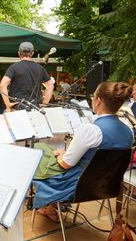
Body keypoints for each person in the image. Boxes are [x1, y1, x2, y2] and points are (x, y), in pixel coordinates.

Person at [32, 82, 134, 222]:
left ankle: (45, 203)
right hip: (107, 186)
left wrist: (62, 156)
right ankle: (50, 207)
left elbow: (65, 165)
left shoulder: (91, 130)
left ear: (98, 101)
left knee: (38, 148)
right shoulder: (128, 132)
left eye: (93, 96)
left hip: (76, 185)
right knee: (52, 151)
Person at [0, 42, 54, 112]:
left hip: (17, 107)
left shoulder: (14, 67)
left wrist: (7, 104)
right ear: (32, 53)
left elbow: (2, 85)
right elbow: (50, 86)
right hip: (35, 108)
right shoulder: (40, 68)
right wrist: (44, 104)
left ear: (19, 53)